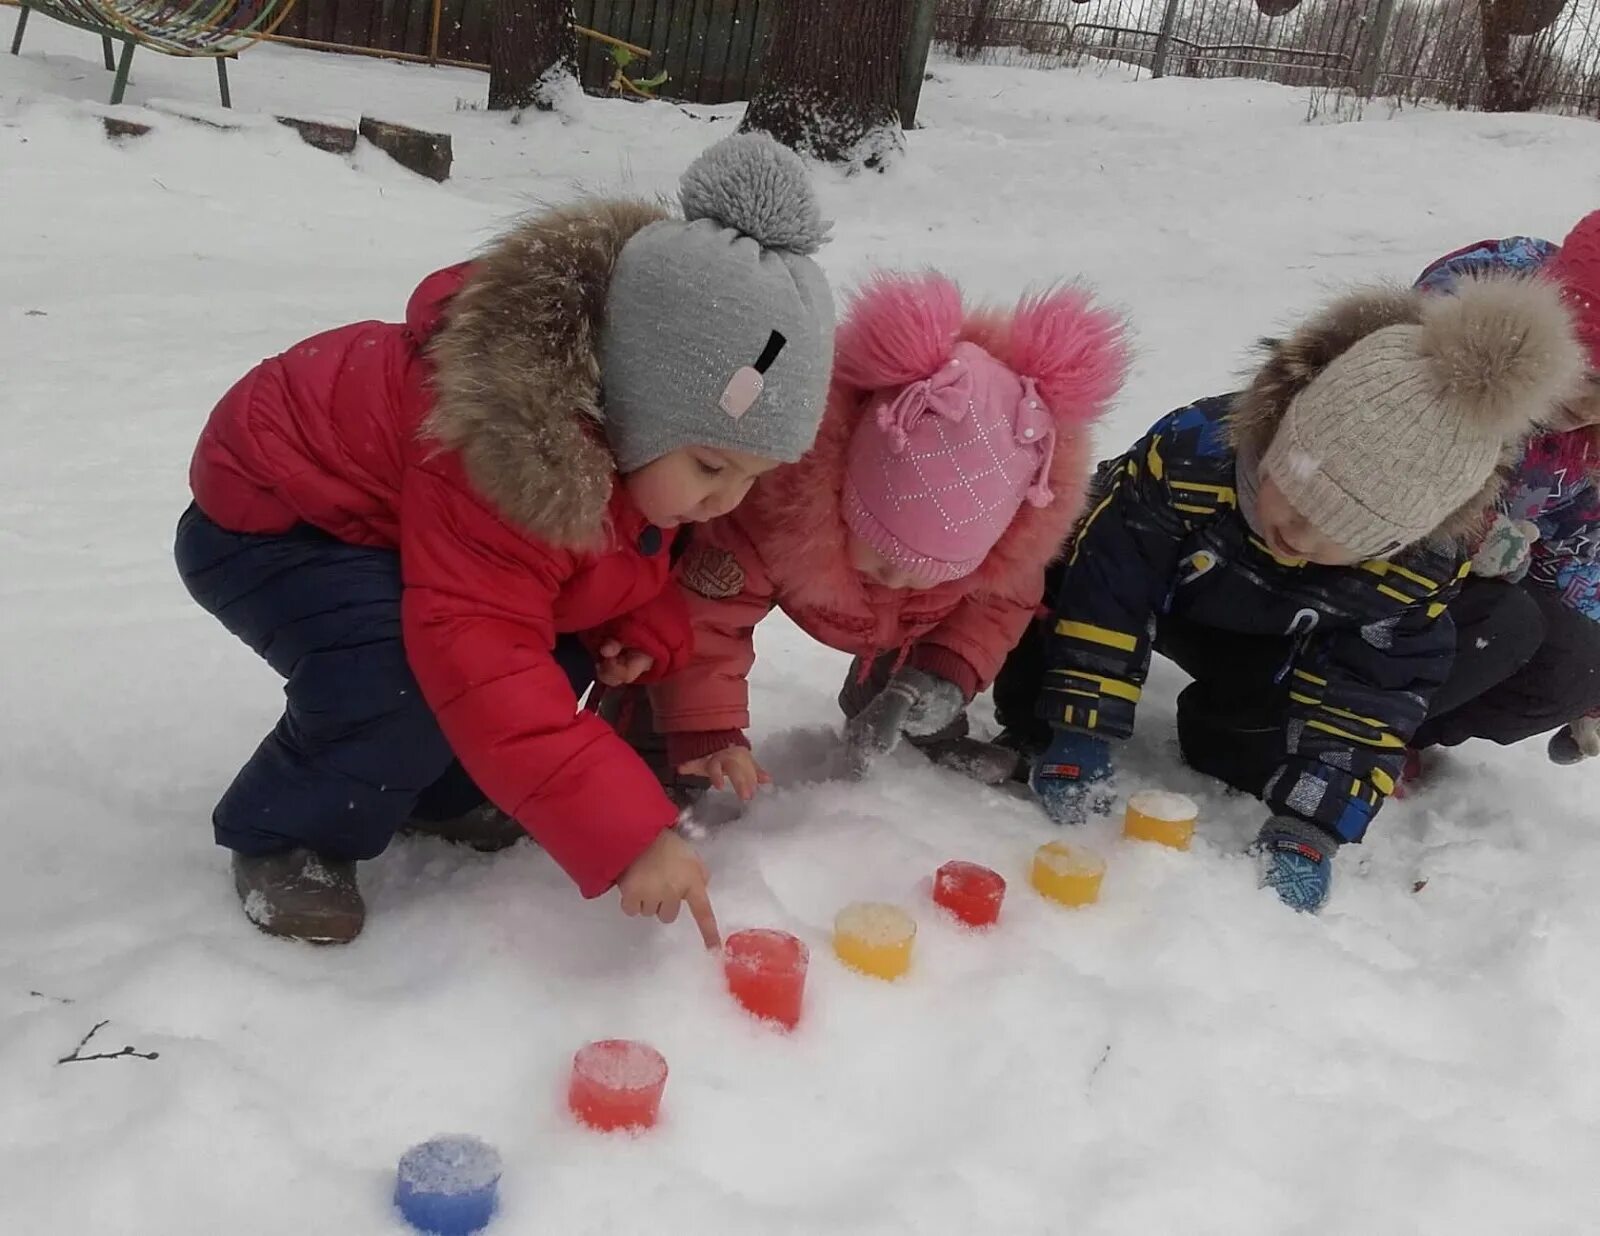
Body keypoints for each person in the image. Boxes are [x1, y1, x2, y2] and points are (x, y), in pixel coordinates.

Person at [174, 134, 836, 945]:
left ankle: (438, 789)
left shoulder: (624, 450)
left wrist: (636, 627)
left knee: (558, 650)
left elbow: (612, 564)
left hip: (395, 527)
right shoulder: (508, 450)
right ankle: (289, 835)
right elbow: (481, 651)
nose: (724, 500)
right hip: (276, 525)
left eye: (750, 478)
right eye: (710, 465)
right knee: (407, 673)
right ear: (635, 398)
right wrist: (626, 835)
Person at [991, 273, 1587, 913]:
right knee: (1057, 563)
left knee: (1269, 750)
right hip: (1176, 593)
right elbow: (1106, 591)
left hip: (1284, 631)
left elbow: (1372, 696)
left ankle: (1232, 720)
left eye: (1341, 533)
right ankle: (1036, 728)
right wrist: (1077, 726)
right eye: (1293, 493)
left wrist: (1311, 827)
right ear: (1279, 434)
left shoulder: (1413, 570)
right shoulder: (1193, 456)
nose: (1297, 534)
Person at [605, 270, 1127, 802]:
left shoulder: (1004, 545)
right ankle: (661, 751)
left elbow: (999, 605)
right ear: (842, 494)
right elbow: (708, 622)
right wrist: (708, 730)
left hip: (902, 634)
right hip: (740, 614)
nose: (900, 577)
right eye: (882, 553)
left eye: (935, 567)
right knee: (666, 652)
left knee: (932, 649)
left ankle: (910, 707)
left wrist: (944, 673)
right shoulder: (770, 518)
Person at [1401, 211, 1600, 774]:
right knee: (1505, 622)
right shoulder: (1474, 313)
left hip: (1471, 591)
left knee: (1576, 659)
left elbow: (1582, 546)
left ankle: (1398, 729)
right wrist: (1469, 530)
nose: (1586, 403)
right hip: (1357, 550)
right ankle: (1313, 721)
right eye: (1584, 368)